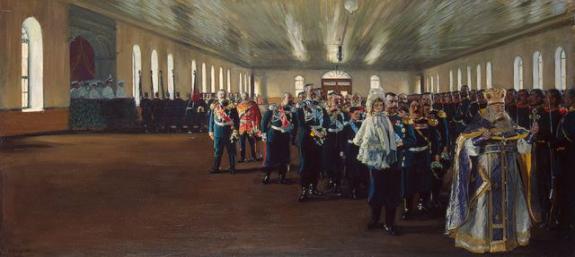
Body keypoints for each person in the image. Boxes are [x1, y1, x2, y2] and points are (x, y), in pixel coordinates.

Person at [445, 88, 538, 253]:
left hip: (510, 175)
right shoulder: (479, 125)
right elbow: (467, 146)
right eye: (495, 106)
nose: (499, 109)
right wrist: (482, 138)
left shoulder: (512, 126)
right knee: (484, 208)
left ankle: (508, 239)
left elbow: (522, 148)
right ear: (488, 108)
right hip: (487, 174)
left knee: (511, 203)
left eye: (501, 106)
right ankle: (483, 241)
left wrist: (531, 135)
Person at [353, 88, 399, 234]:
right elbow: (359, 136)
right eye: (376, 106)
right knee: (376, 190)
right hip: (374, 160)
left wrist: (396, 144)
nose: (379, 108)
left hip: (389, 159)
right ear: (371, 106)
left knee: (390, 191)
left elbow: (393, 135)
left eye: (381, 105)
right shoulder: (368, 120)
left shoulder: (387, 119)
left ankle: (389, 223)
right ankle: (375, 219)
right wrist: (362, 143)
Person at [295, 84, 329, 202]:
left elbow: (326, 120)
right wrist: (315, 132)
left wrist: (323, 130)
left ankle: (313, 188)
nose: (313, 91)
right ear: (305, 92)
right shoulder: (301, 105)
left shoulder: (320, 106)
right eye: (311, 90)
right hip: (306, 138)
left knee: (316, 164)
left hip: (319, 139)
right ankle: (304, 190)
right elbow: (301, 122)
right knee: (306, 165)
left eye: (314, 89)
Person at [260, 93, 296, 184]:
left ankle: (282, 177)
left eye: (291, 98)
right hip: (273, 134)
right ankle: (267, 176)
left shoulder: (292, 110)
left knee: (284, 157)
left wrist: (292, 133)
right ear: (283, 98)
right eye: (289, 98)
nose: (291, 99)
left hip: (285, 135)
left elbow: (296, 123)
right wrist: (264, 133)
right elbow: (264, 121)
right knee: (270, 156)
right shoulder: (274, 108)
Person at [556, 87, 575, 239]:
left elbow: (567, 137)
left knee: (569, 189)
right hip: (567, 156)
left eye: (567, 97)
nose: (565, 99)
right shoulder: (568, 115)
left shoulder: (570, 117)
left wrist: (556, 144)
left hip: (569, 157)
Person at [208, 90, 240, 174]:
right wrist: (210, 130)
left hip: (229, 131)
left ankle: (232, 168)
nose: (222, 95)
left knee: (231, 151)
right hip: (218, 131)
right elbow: (211, 119)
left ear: (226, 96)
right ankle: (216, 167)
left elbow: (236, 119)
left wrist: (236, 130)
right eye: (220, 94)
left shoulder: (232, 106)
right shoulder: (214, 106)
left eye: (223, 94)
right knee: (218, 150)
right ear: (217, 96)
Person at [323, 92, 348, 195]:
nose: (336, 102)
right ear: (329, 101)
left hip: (341, 138)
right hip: (329, 139)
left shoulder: (344, 113)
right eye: (334, 100)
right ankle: (331, 179)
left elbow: (346, 127)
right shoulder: (324, 112)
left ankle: (338, 183)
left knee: (339, 162)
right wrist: (330, 114)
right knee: (329, 161)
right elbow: (322, 124)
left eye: (338, 100)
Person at [341, 106, 367, 199]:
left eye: (359, 114)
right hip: (350, 151)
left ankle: (358, 188)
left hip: (360, 150)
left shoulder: (362, 125)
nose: (358, 115)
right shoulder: (346, 126)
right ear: (350, 114)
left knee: (360, 170)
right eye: (356, 114)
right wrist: (342, 152)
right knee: (351, 171)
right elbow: (342, 140)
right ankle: (352, 190)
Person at [236, 92, 262, 162]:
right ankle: (242, 158)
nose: (244, 97)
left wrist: (257, 124)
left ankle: (254, 156)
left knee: (252, 142)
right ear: (241, 96)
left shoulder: (253, 104)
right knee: (242, 143)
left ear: (248, 96)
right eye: (243, 95)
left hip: (251, 126)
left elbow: (258, 115)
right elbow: (236, 117)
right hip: (242, 126)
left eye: (246, 95)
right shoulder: (238, 105)